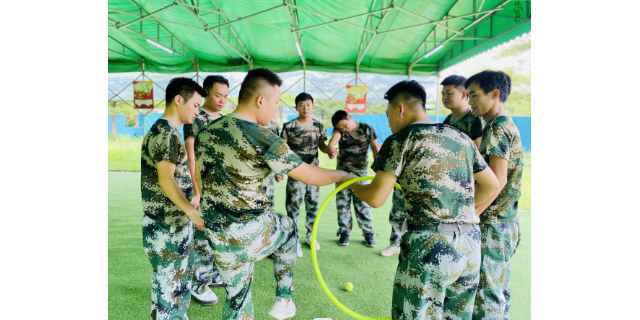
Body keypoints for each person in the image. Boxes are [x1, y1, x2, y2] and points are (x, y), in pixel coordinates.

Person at [194, 68, 355, 320]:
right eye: (276, 103)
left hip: (215, 233)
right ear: (260, 100)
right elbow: (309, 175)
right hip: (249, 232)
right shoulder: (264, 137)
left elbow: (198, 178)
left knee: (237, 304)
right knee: (289, 228)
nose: (275, 110)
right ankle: (284, 299)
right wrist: (344, 175)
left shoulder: (206, 132)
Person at [346, 80, 499, 320]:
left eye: (388, 115)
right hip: (470, 245)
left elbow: (376, 198)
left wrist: (352, 182)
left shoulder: (401, 139)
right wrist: (461, 212)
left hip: (428, 246)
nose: (389, 122)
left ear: (400, 109)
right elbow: (491, 184)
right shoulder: (461, 137)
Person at [140, 77, 208, 320]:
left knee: (169, 285)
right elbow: (166, 179)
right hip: (167, 225)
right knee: (170, 286)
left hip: (170, 223)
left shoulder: (168, 131)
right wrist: (191, 211)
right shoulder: (165, 133)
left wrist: (195, 192)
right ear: (179, 100)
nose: (197, 112)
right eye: (196, 105)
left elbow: (177, 175)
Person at [467, 70, 523, 320]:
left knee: (487, 294)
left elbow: (498, 180)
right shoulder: (505, 123)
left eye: (474, 95)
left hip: (494, 223)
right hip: (507, 221)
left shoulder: (497, 127)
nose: (470, 101)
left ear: (495, 94)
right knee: (498, 287)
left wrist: (473, 212)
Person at [183, 75, 229, 305]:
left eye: (226, 96)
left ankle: (212, 274)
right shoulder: (195, 117)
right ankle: (198, 284)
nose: (222, 100)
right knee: (201, 234)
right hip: (202, 184)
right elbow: (190, 154)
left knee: (218, 233)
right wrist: (196, 188)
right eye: (218, 95)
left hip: (221, 187)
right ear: (207, 94)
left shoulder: (225, 120)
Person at [278, 93, 332, 256]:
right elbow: (282, 148)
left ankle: (311, 235)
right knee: (293, 206)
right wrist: (280, 169)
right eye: (301, 105)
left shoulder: (318, 126)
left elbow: (322, 145)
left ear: (312, 106)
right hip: (296, 172)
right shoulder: (289, 126)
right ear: (296, 107)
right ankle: (293, 239)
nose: (305, 108)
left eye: (308, 104)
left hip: (314, 172)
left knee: (313, 205)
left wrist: (328, 149)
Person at [327, 110, 379, 247]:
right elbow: (334, 140)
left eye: (344, 125)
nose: (344, 129)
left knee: (363, 204)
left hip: (361, 173)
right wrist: (331, 147)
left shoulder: (366, 129)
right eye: (341, 128)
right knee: (342, 204)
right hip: (342, 174)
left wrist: (378, 166)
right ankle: (344, 232)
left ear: (349, 117)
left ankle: (368, 233)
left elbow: (375, 149)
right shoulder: (339, 131)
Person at [441, 74, 484, 149]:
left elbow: (478, 153)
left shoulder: (475, 119)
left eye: (449, 93)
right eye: (443, 94)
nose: (444, 97)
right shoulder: (447, 120)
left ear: (463, 95)